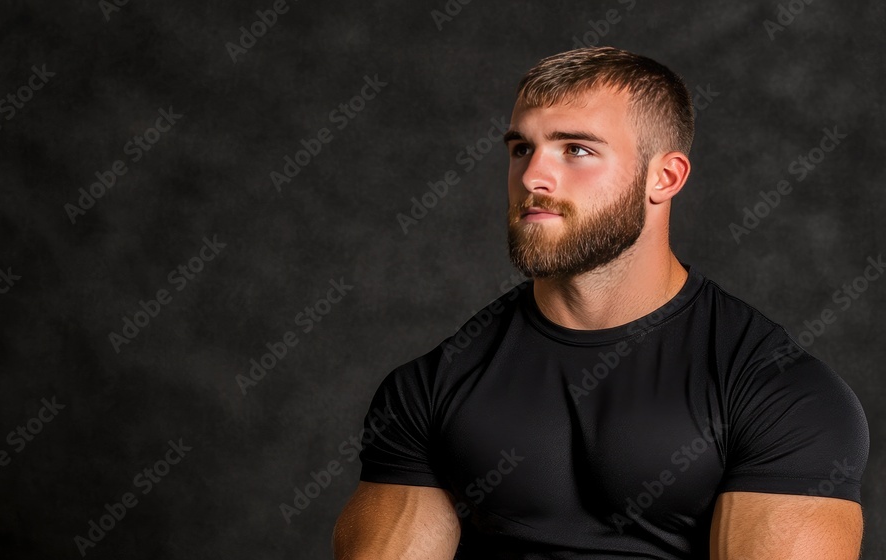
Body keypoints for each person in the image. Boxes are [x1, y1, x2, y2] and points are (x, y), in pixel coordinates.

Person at [332, 46, 869, 559]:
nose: (533, 177)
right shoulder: (431, 387)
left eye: (577, 149)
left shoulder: (782, 394)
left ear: (665, 176)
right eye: (522, 148)